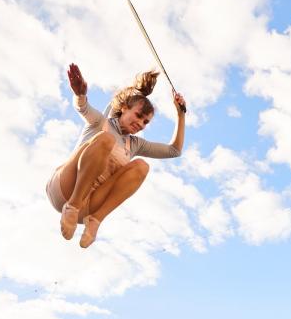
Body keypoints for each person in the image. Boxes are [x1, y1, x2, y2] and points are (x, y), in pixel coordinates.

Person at [49, 65, 187, 248]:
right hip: (64, 189)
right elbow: (82, 108)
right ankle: (72, 206)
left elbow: (174, 151)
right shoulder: (101, 121)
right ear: (124, 108)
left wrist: (180, 114)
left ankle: (95, 220)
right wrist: (80, 94)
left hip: (88, 206)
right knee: (106, 139)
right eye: (138, 116)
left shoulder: (135, 144)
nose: (140, 123)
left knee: (142, 167)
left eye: (145, 122)